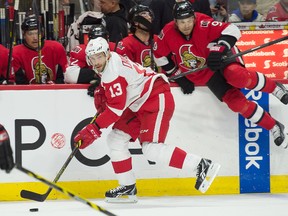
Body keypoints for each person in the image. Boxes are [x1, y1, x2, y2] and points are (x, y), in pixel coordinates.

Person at [74, 37, 221, 203]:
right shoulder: (110, 62)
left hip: (155, 96)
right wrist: (105, 94)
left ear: (107, 54)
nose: (96, 61)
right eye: (92, 58)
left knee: (151, 148)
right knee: (116, 139)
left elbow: (115, 110)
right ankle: (128, 187)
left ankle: (201, 165)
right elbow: (121, 93)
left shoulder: (111, 72)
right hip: (139, 101)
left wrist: (94, 128)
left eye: (99, 56)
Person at [153, 1, 288, 149]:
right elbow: (158, 56)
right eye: (182, 22)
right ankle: (274, 126)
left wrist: (219, 48)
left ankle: (275, 88)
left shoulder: (203, 22)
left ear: (194, 18)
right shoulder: (167, 33)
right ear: (175, 22)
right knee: (236, 103)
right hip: (204, 74)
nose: (186, 25)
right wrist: (178, 75)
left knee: (237, 76)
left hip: (220, 57)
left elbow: (232, 29)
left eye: (189, 20)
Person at [11, 15, 67, 84]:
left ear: (42, 34)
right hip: (28, 93)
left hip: (54, 92)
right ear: (24, 35)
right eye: (30, 34)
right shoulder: (16, 53)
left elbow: (63, 77)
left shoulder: (56, 48)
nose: (35, 37)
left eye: (38, 33)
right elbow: (20, 82)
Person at [116, 4, 157, 71]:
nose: (149, 17)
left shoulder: (157, 39)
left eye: (149, 15)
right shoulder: (126, 44)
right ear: (135, 22)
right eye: (144, 15)